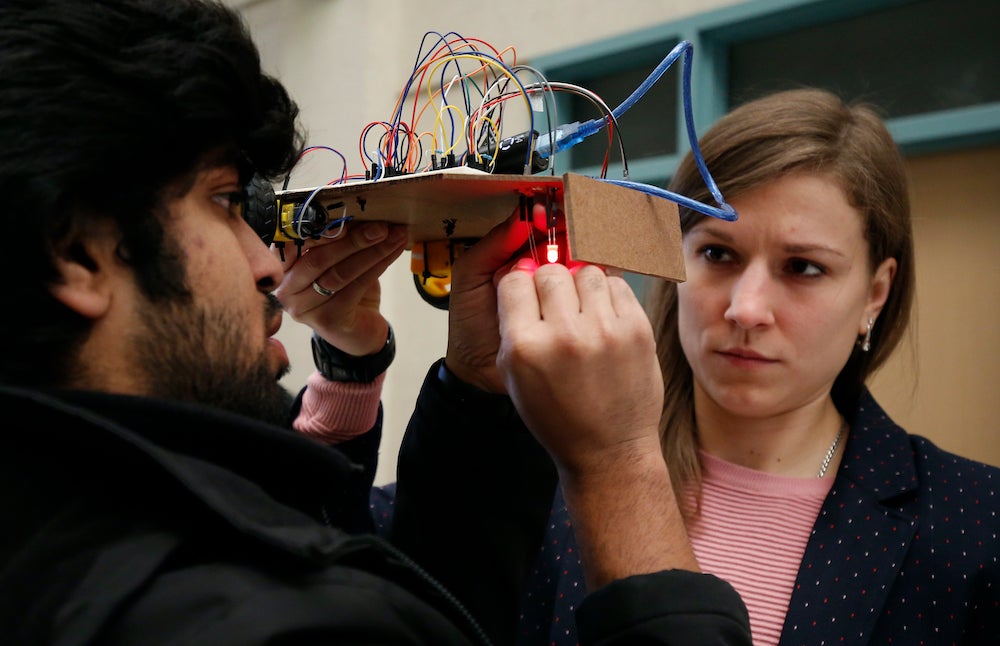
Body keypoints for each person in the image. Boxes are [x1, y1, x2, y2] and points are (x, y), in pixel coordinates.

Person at [0, 1, 753, 644]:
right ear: (78, 251)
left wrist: (469, 390)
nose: (266, 264)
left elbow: (420, 609)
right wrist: (618, 469)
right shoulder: (241, 619)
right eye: (226, 202)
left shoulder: (75, 532)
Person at [508, 88, 1000, 644]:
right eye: (718, 253)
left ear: (876, 294)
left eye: (802, 267)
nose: (745, 308)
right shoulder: (546, 472)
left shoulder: (976, 526)